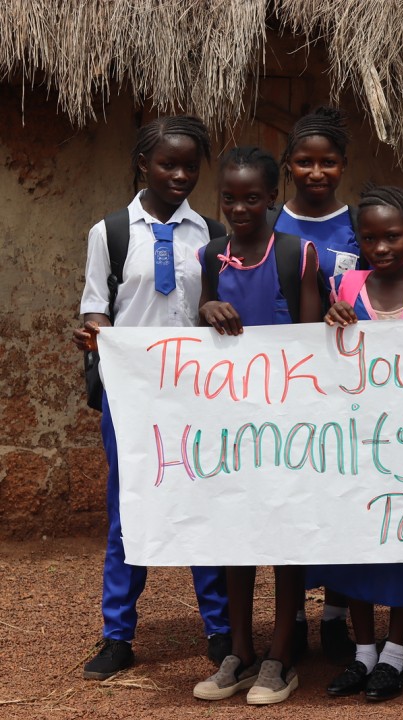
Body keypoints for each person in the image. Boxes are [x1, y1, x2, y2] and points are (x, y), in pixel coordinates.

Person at [73, 115, 230, 681]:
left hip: (197, 394)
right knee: (126, 509)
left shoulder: (212, 235)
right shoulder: (111, 232)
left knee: (204, 505)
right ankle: (118, 634)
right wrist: (93, 329)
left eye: (191, 165)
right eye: (169, 164)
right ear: (144, 164)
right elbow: (97, 304)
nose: (181, 174)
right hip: (132, 395)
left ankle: (220, 630)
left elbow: (217, 305)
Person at [303, 186, 403, 702]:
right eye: (369, 238)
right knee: (355, 549)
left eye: (393, 237)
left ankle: (395, 652)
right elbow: (319, 353)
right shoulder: (345, 285)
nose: (381, 247)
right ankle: (364, 652)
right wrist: (330, 318)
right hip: (355, 449)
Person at [191, 146, 321, 705]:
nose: (239, 208)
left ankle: (282, 651)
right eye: (228, 198)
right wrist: (205, 310)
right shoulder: (211, 256)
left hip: (289, 422)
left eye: (252, 198)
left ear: (272, 197)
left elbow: (314, 339)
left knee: (286, 536)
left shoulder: (296, 253)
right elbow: (204, 317)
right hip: (231, 423)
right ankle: (240, 652)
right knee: (236, 534)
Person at [273, 106, 359, 661]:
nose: (316, 172)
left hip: (351, 384)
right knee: (293, 498)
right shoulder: (267, 222)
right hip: (283, 385)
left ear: (342, 166)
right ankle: (293, 616)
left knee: (341, 497)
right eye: (304, 162)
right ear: (288, 167)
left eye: (327, 162)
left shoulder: (359, 224)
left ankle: (337, 611)